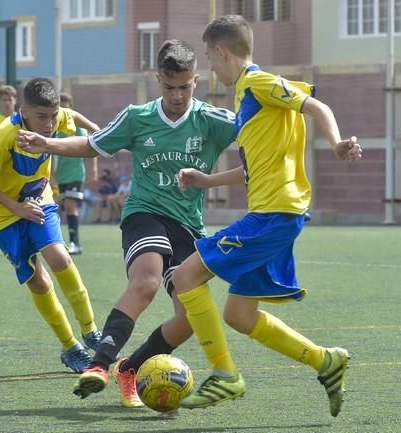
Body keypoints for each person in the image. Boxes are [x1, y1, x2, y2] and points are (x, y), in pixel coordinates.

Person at [17, 40, 237, 408]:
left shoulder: (212, 120)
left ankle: (129, 368)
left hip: (188, 224)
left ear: (196, 80)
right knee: (147, 281)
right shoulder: (138, 116)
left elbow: (261, 131)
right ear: (157, 80)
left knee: (188, 318)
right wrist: (46, 143)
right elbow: (92, 144)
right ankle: (99, 365)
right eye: (169, 87)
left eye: (185, 86)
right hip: (144, 213)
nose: (178, 95)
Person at [167, 15, 362, 413]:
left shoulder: (257, 83)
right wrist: (207, 181)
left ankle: (225, 376)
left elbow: (316, 105)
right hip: (275, 213)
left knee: (185, 275)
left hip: (274, 215)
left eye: (209, 57)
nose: (210, 66)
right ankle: (326, 361)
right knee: (239, 314)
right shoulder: (248, 96)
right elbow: (254, 168)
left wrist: (338, 142)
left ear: (222, 52)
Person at [0, 77, 102, 373]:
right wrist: (15, 207)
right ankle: (71, 348)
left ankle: (91, 330)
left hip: (38, 198)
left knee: (60, 256)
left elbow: (72, 116)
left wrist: (94, 129)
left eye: (53, 116)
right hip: (0, 214)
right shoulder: (4, 135)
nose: (49, 124)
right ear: (24, 110)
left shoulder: (54, 117)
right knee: (39, 280)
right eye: (42, 117)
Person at [53, 92, 99, 255]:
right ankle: (70, 241)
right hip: (62, 175)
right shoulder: (55, 127)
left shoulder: (77, 128)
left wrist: (93, 170)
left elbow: (90, 147)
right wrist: (51, 174)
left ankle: (75, 243)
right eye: (60, 106)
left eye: (66, 106)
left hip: (76, 173)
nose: (63, 109)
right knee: (66, 207)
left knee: (71, 206)